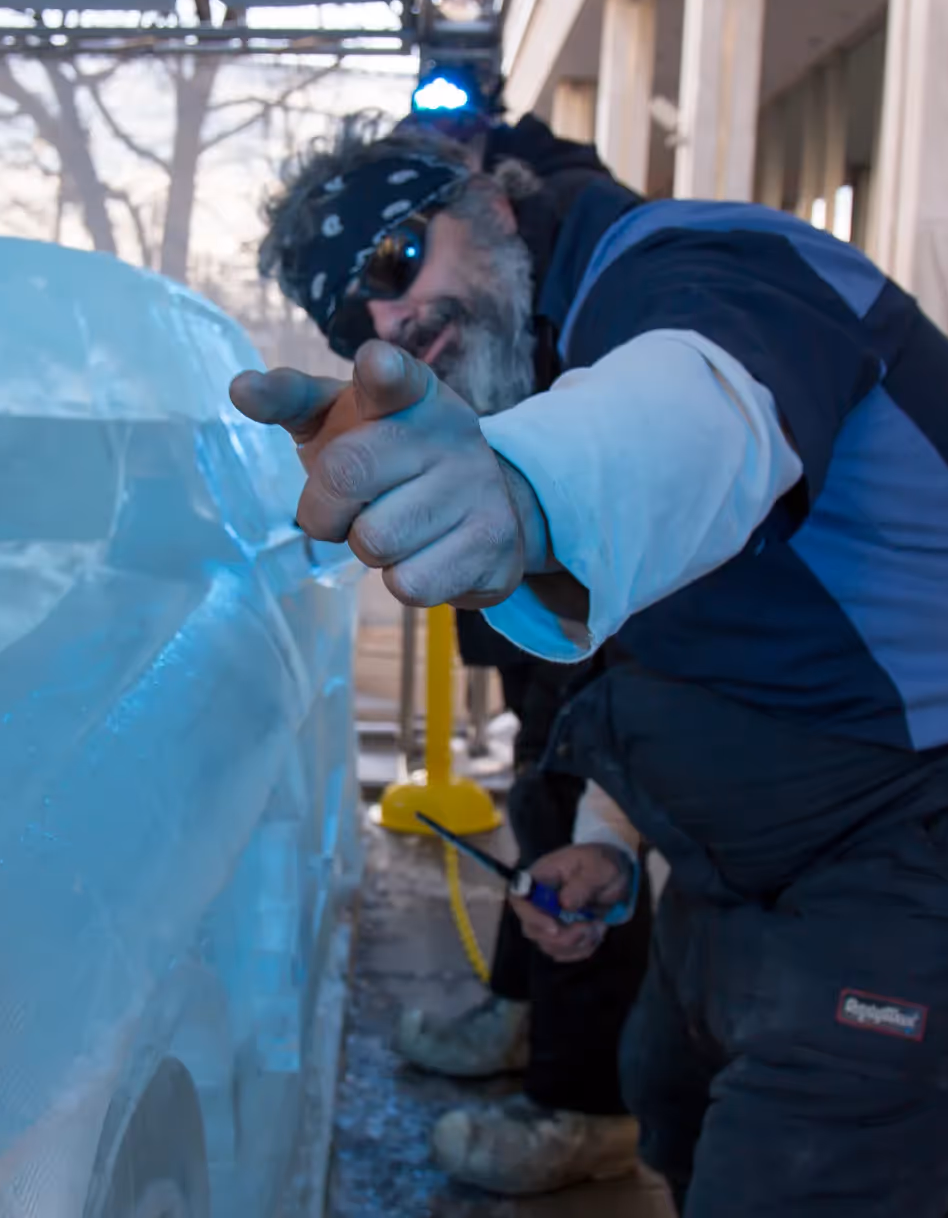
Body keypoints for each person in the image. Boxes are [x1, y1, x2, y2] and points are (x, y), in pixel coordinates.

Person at [235, 113, 948, 1215]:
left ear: (490, 203)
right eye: (354, 314)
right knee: (670, 1097)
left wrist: (535, 490)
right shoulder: (524, 366)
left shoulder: (702, 265)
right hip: (786, 809)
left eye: (395, 260)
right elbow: (659, 636)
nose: (396, 317)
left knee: (807, 1167)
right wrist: (604, 844)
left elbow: (699, 406)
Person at [356, 117, 652, 1196]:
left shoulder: (579, 236)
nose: (390, 318)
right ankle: (524, 1012)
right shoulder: (506, 256)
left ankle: (586, 1104)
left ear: (476, 186)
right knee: (545, 786)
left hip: (597, 583)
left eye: (397, 256)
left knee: (590, 812)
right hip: (541, 585)